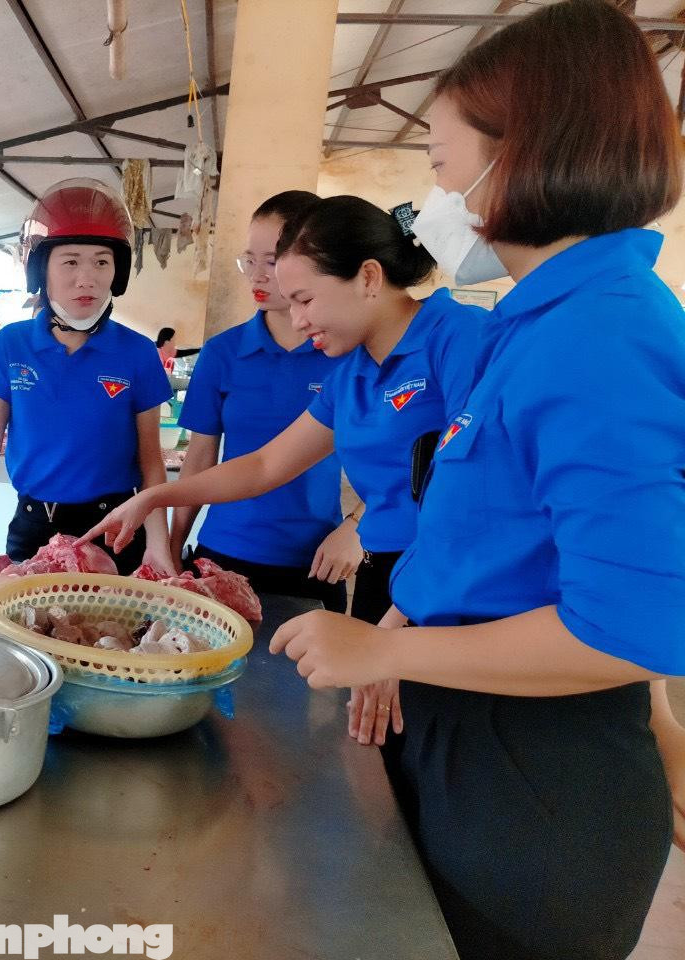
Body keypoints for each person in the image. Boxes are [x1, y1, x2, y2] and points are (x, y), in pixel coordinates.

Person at [268, 3, 685, 957]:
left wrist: (389, 656)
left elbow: (626, 628)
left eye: (444, 163)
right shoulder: (534, 326)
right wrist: (401, 623)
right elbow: (489, 539)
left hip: (535, 783)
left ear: (524, 154)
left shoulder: (602, 334)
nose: (435, 199)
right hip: (472, 733)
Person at [86, 194, 484, 662]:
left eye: (305, 299)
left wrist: (395, 629)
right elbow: (264, 463)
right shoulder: (353, 372)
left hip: (450, 581)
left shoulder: (458, 338)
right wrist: (155, 497)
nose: (296, 319)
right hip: (389, 577)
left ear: (369, 277)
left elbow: (473, 493)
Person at [0, 178, 175, 574]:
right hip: (33, 526)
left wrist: (159, 545)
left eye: (102, 261)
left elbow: (151, 462)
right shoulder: (12, 344)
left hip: (114, 529)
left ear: (118, 271)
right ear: (41, 268)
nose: (87, 278)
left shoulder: (138, 352)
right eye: (70, 260)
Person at [172, 191, 359, 614]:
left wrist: (357, 527)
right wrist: (172, 540)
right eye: (249, 261)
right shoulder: (222, 353)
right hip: (222, 555)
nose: (256, 276)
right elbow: (199, 457)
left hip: (314, 562)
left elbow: (397, 458)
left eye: (272, 262)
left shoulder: (346, 356)